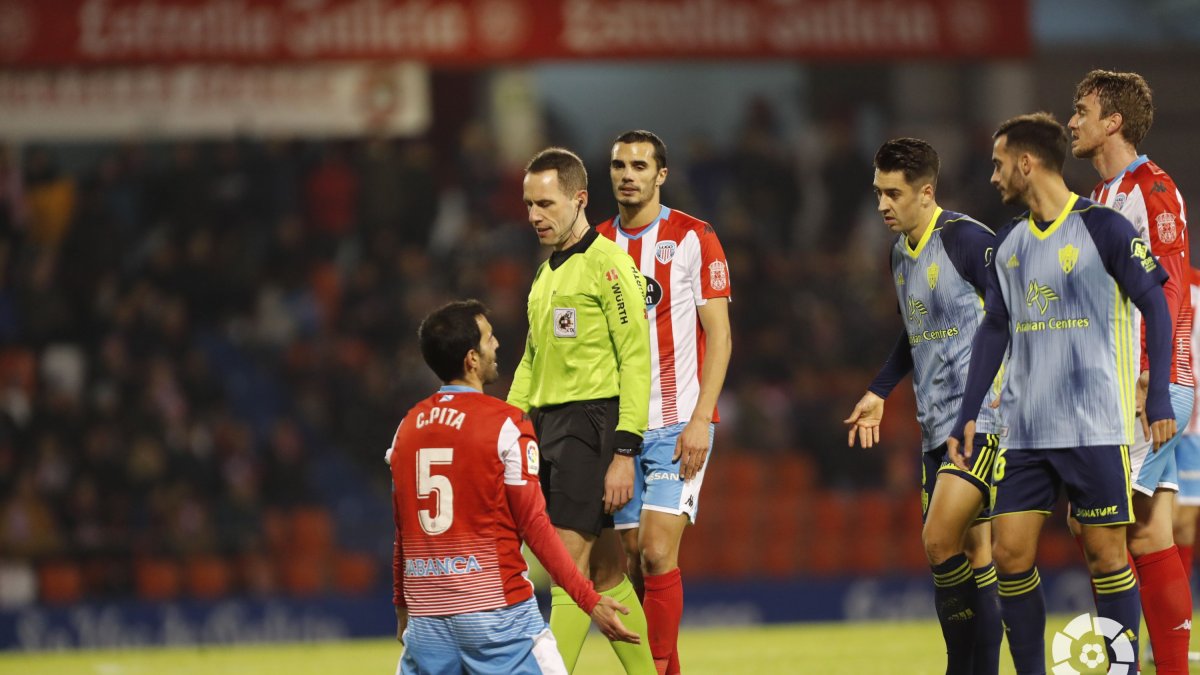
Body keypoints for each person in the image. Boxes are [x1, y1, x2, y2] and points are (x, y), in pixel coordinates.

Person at [948, 112, 1177, 674]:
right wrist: (968, 413)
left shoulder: (1104, 228)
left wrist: (1165, 395)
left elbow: (1156, 304)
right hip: (1026, 431)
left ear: (1027, 163)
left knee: (1105, 557)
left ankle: (1121, 669)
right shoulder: (1008, 244)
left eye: (1000, 164)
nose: (994, 176)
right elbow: (995, 329)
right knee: (1008, 555)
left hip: (1095, 426)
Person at [389, 300, 640, 674]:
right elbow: (535, 527)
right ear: (471, 359)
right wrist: (589, 600)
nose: (498, 346)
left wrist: (402, 607)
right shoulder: (506, 425)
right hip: (497, 617)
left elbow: (404, 532)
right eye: (490, 339)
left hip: (427, 620)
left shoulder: (406, 429)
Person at [843, 137, 1003, 675]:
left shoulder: (965, 240)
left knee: (938, 542)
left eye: (893, 193)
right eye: (878, 193)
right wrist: (879, 391)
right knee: (975, 555)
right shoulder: (898, 254)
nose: (882, 205)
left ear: (926, 192)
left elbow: (1012, 318)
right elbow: (914, 335)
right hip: (935, 427)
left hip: (981, 422)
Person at [507, 147, 656, 674]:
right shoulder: (545, 275)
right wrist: (505, 426)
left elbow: (637, 359)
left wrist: (624, 450)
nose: (534, 216)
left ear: (579, 199)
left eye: (545, 203)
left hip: (591, 424)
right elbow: (530, 359)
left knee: (566, 569)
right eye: (528, 205)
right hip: (547, 427)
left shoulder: (610, 266)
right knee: (607, 575)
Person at [1066, 68, 1194, 673]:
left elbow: (1169, 291)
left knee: (1101, 532)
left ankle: (1121, 665)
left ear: (1113, 121)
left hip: (1145, 385)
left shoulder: (1154, 189)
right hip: (1120, 383)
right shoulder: (1098, 198)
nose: (1072, 121)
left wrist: (1154, 378)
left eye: (1083, 110)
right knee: (1142, 536)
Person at [595, 130, 733, 675]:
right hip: (621, 432)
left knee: (655, 551)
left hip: (680, 424)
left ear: (661, 175)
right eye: (618, 165)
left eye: (639, 165)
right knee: (631, 561)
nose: (628, 174)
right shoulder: (597, 247)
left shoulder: (695, 238)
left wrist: (701, 419)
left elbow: (719, 337)